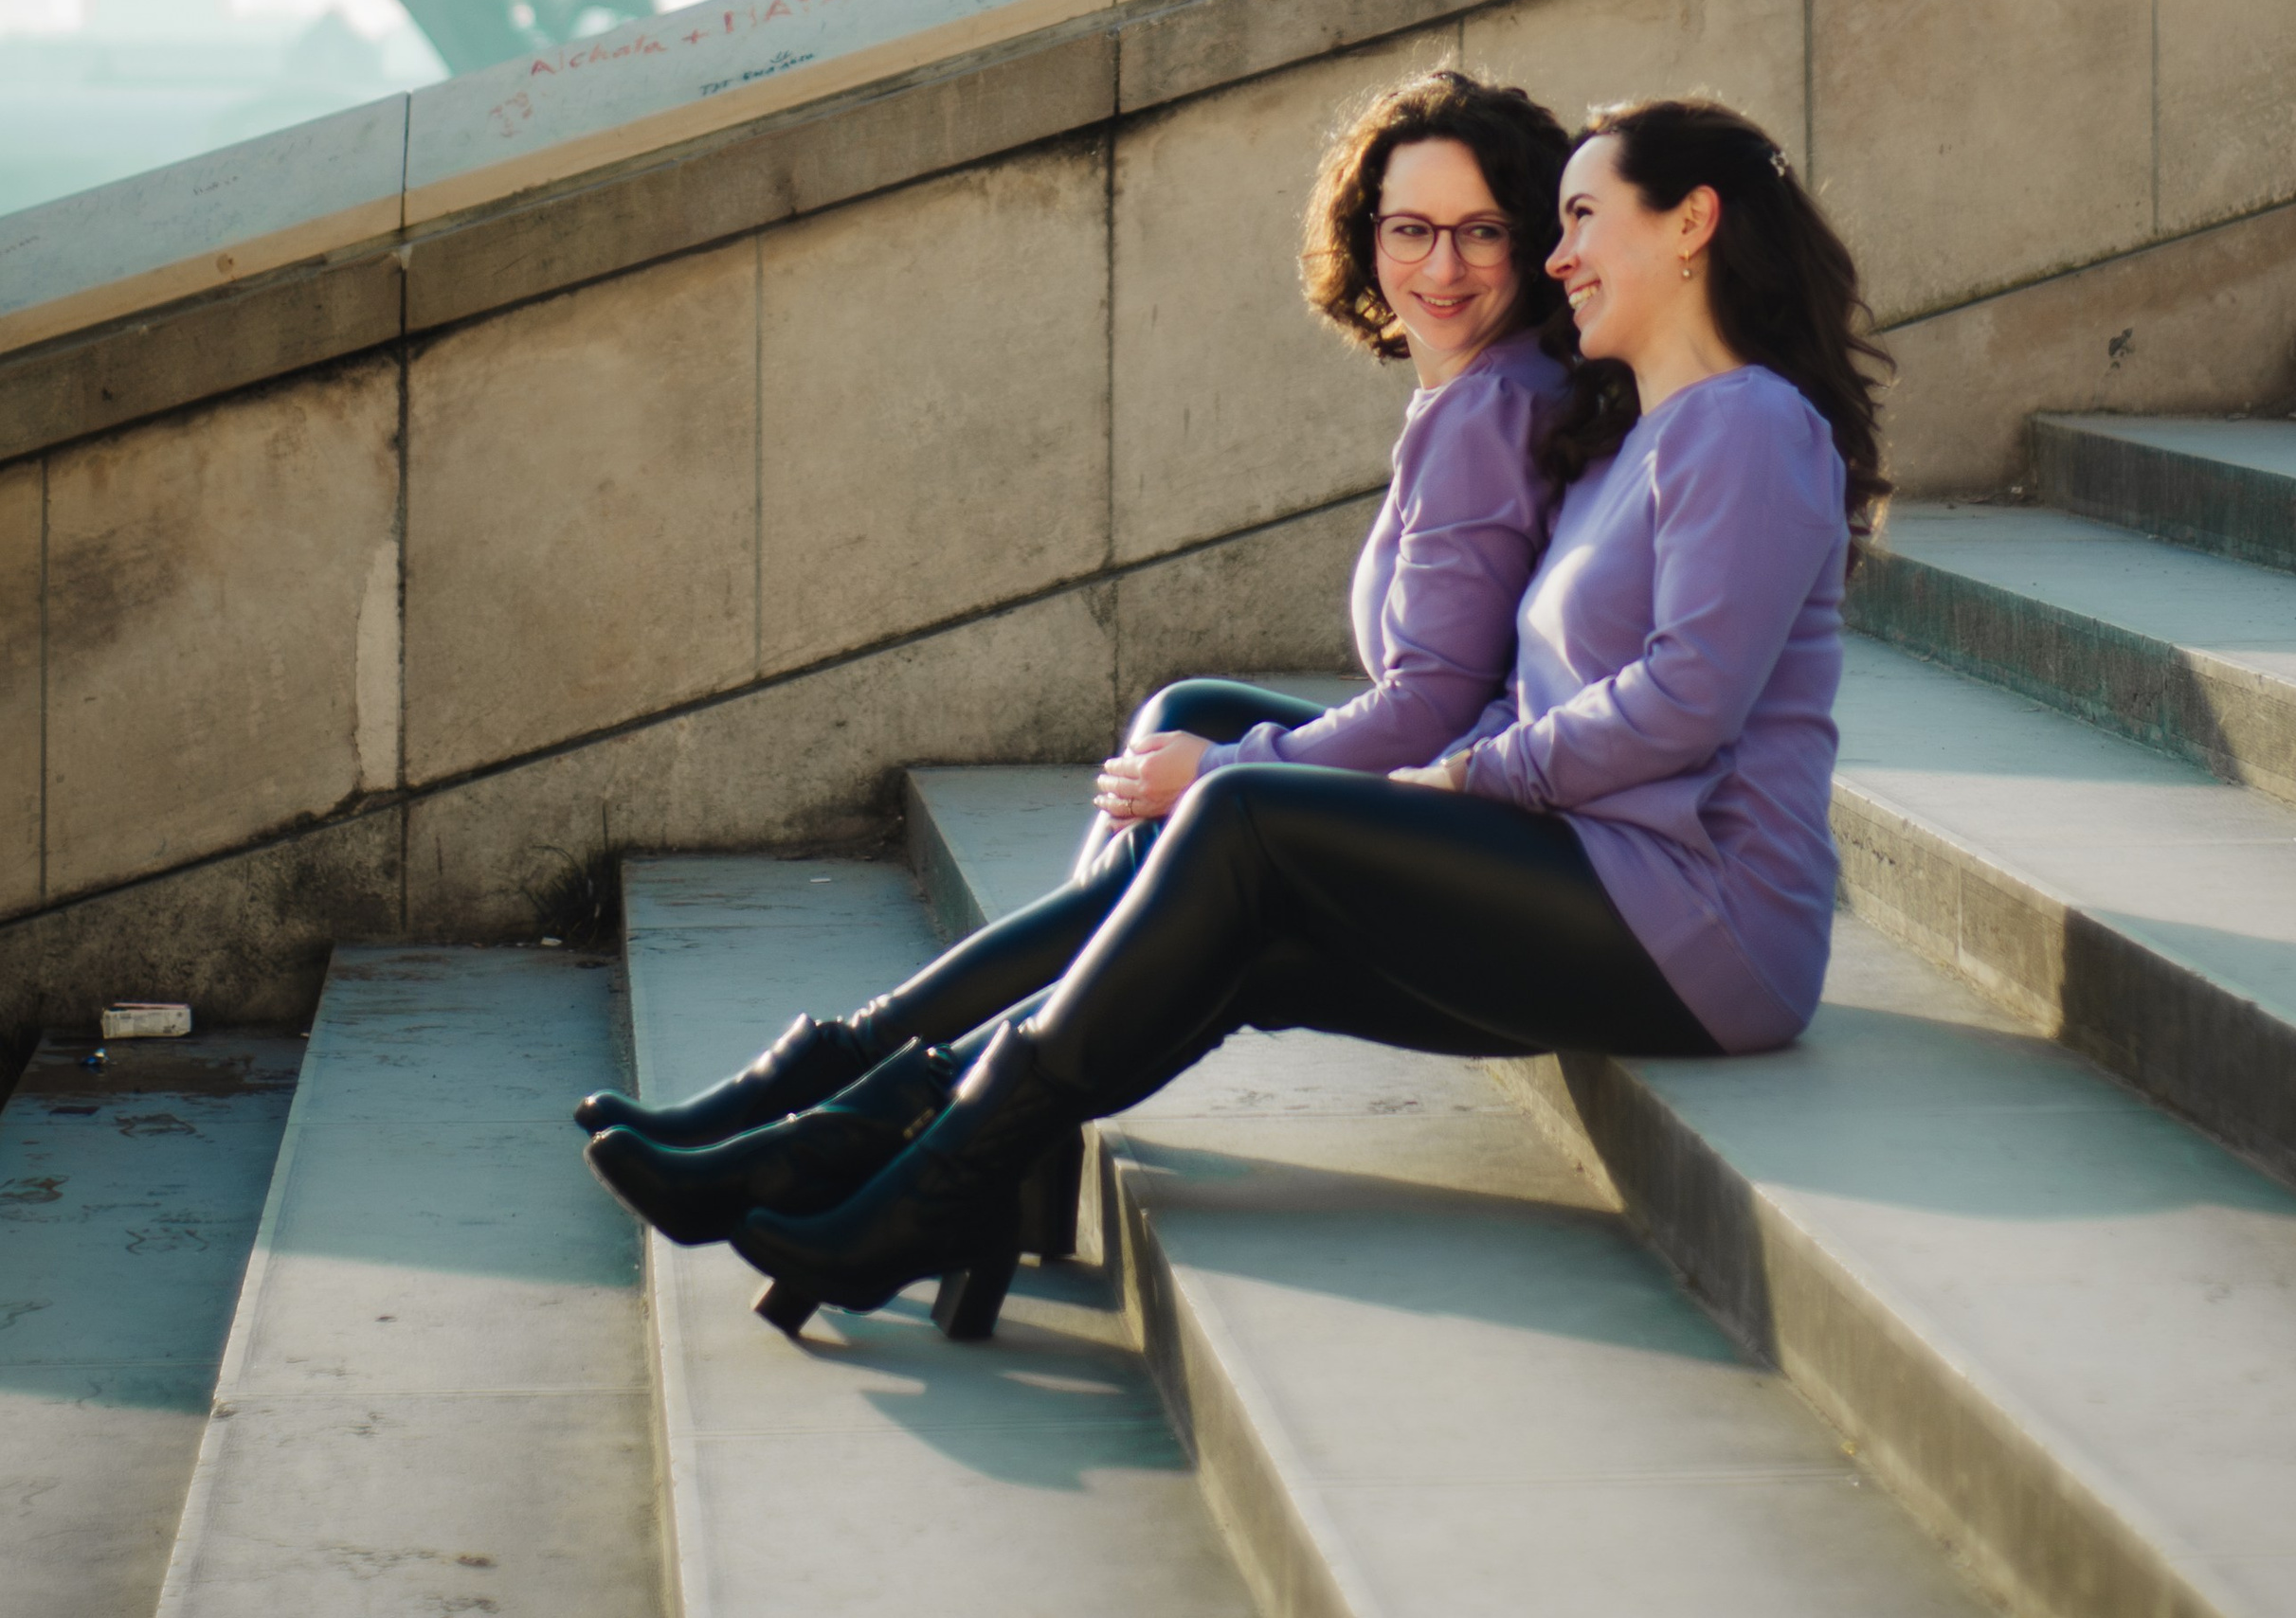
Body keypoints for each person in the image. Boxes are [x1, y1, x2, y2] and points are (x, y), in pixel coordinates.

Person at [588, 91, 1890, 1345]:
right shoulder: (1636, 436)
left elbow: (1686, 703)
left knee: (1243, 810)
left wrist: (1458, 781)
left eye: (1580, 217)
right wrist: (1451, 772)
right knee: (1238, 943)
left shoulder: (1754, 426)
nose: (1558, 256)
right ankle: (949, 1159)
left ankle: (899, 1155)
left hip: (1705, 918)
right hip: (1605, 861)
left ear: (1690, 221)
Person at [574, 64, 1579, 1253]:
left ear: (1532, 244)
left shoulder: (1492, 410)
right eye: (1410, 230)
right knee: (1184, 713)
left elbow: (1429, 707)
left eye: (1481, 233)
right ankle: (891, 1101)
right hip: (1461, 777)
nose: (1442, 268)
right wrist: (1209, 754)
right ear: (1365, 240)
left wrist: (1223, 772)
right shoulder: (1482, 390)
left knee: (1198, 788)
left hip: (1478, 810)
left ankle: (848, 1099)